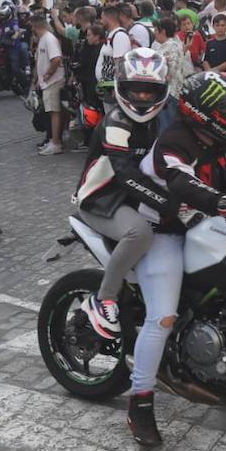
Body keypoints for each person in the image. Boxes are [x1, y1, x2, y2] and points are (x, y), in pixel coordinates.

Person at [124, 70, 226, 447]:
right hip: (161, 232)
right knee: (162, 317)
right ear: (208, 113)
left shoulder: (216, 142)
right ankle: (140, 403)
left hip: (200, 226)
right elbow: (184, 183)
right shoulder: (175, 141)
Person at [75, 47, 171, 339]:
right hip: (102, 198)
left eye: (149, 91)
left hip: (135, 197)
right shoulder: (116, 121)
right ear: (121, 88)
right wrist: (169, 203)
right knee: (139, 233)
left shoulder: (166, 118)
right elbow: (126, 175)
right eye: (135, 90)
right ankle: (104, 298)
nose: (142, 97)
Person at [31, 14, 66, 155]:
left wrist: (47, 74)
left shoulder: (49, 39)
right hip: (47, 82)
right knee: (51, 112)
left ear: (35, 26)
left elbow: (56, 59)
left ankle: (55, 142)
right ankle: (53, 139)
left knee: (54, 112)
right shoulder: (43, 39)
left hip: (53, 81)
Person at [151, 16, 189, 131]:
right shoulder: (175, 44)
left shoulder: (169, 47)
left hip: (169, 93)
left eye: (156, 30)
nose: (154, 32)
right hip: (173, 92)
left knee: (165, 126)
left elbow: (169, 71)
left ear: (163, 31)